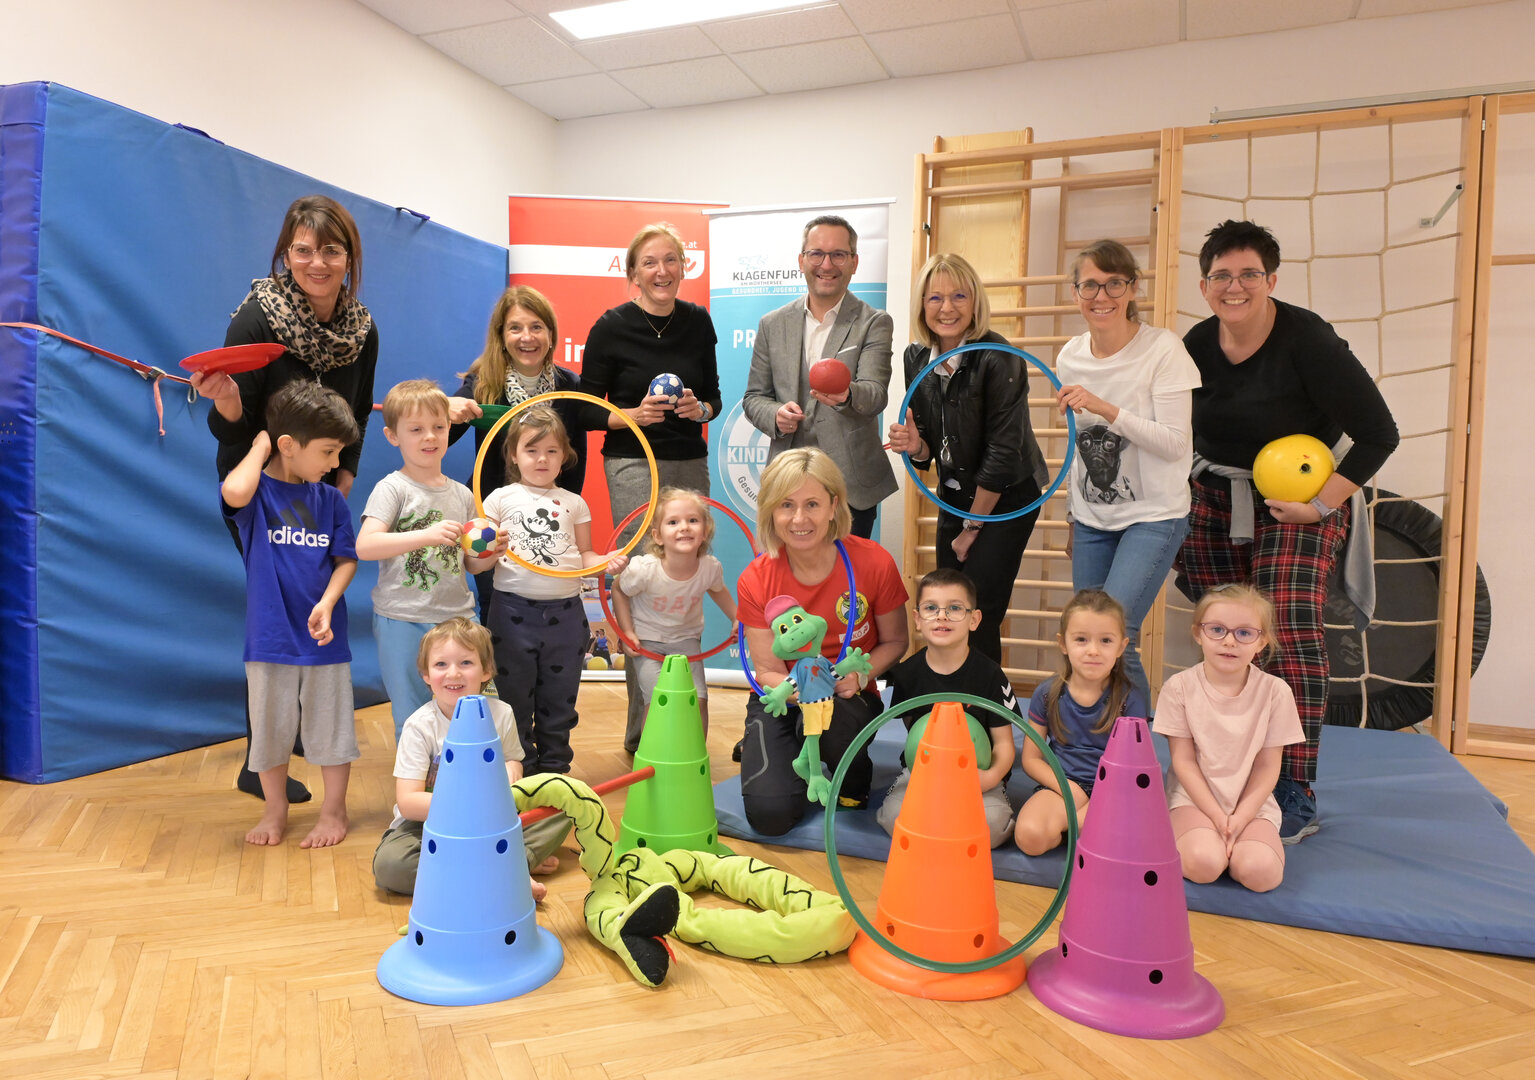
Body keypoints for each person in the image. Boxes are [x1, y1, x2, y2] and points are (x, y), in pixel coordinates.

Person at [1177, 219, 1399, 843]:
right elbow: (1171, 430)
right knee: (1224, 634)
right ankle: (1226, 773)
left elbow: (1380, 433)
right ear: (1204, 285)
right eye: (1221, 275)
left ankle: (1292, 785)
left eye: (1249, 273)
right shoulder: (1196, 344)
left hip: (1298, 501)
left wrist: (1323, 505)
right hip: (1217, 495)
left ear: (1271, 279)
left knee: (1290, 627)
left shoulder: (1309, 341)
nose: (1235, 286)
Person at [191, 193, 378, 804]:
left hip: (321, 484)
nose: (316, 263)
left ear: (348, 257)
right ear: (286, 252)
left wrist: (343, 473)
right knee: (275, 607)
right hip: (261, 484)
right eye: (302, 250)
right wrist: (225, 403)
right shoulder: (259, 314)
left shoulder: (361, 327)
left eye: (329, 250)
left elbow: (357, 409)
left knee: (313, 601)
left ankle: (292, 732)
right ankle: (258, 756)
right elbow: (232, 418)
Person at [579, 223, 722, 744]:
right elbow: (588, 412)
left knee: (684, 577)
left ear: (683, 267)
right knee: (643, 584)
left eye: (671, 261)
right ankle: (644, 732)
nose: (661, 272)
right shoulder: (611, 326)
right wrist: (632, 415)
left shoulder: (697, 321)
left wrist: (698, 408)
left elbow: (714, 398)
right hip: (633, 462)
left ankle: (681, 720)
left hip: (689, 459)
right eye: (649, 263)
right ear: (632, 272)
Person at [1054, 240, 1201, 706]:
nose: (1102, 295)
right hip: (1093, 519)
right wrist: (1073, 514)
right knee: (1088, 638)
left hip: (1154, 515)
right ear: (1075, 292)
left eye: (1114, 283)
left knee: (1114, 634)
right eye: (1090, 285)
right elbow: (1079, 449)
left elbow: (1176, 443)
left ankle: (1133, 754)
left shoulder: (1163, 349)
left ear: (1133, 287)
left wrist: (1105, 408)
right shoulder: (1069, 357)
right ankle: (1098, 746)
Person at [737, 448, 909, 836]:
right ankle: (797, 761)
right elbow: (767, 669)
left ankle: (846, 769)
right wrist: (799, 692)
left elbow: (897, 641)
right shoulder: (756, 578)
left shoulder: (873, 561)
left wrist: (852, 679)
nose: (799, 519)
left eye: (812, 504)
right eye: (786, 505)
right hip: (783, 693)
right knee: (770, 816)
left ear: (834, 505)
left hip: (849, 693)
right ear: (770, 511)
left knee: (835, 728)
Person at [886, 252, 1048, 663]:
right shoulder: (916, 357)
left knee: (979, 611)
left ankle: (984, 712)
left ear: (975, 302)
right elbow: (929, 449)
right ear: (922, 305)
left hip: (1006, 496)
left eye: (959, 295)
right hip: (955, 493)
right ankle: (952, 704)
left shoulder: (998, 356)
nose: (947, 308)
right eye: (935, 298)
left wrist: (972, 526)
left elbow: (1003, 453)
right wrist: (913, 444)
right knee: (949, 606)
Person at [219, 381, 360, 848]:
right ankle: (274, 808)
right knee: (271, 731)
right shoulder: (257, 496)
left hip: (324, 641)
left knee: (331, 731)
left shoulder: (331, 501)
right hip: (270, 639)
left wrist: (328, 602)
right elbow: (234, 490)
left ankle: (334, 810)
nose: (335, 464)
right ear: (287, 446)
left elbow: (346, 560)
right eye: (327, 451)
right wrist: (259, 446)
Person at [372, 618, 570, 899]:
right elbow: (408, 803)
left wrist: (512, 770)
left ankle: (482, 870)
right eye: (441, 665)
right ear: (426, 674)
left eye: (465, 663)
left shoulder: (501, 713)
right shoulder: (418, 726)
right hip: (430, 825)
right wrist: (472, 808)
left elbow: (514, 760)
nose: (453, 673)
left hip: (494, 822)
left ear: (486, 670)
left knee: (563, 806)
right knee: (392, 866)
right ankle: (507, 871)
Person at [356, 380, 503, 740]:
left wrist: (490, 555)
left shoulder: (463, 494)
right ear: (393, 436)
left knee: (470, 712)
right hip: (403, 620)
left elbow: (470, 565)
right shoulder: (392, 489)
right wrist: (427, 534)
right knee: (412, 716)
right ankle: (414, 792)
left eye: (439, 427)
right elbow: (365, 546)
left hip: (457, 619)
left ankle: (465, 786)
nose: (430, 437)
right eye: (416, 429)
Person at [743, 214, 896, 539]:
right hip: (787, 480)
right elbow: (754, 398)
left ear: (854, 262)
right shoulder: (772, 324)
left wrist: (847, 394)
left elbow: (875, 394)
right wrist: (775, 415)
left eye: (838, 254)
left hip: (850, 485)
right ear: (802, 260)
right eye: (817, 254)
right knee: (789, 583)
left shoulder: (874, 322)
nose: (827, 264)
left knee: (844, 584)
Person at [482, 406, 612, 774]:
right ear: (513, 455)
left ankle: (555, 769)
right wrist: (487, 550)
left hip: (566, 617)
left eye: (552, 451)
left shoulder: (575, 502)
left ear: (564, 457)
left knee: (560, 698)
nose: (542, 458)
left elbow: (586, 554)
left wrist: (607, 561)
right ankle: (519, 769)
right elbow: (480, 557)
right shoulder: (499, 499)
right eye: (532, 450)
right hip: (511, 614)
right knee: (513, 698)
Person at [446, 286, 586, 624]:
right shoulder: (483, 382)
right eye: (516, 328)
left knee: (547, 603)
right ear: (501, 336)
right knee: (496, 606)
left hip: (546, 519)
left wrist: (564, 512)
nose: (527, 337)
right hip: (493, 515)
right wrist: (443, 409)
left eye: (536, 327)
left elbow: (575, 455)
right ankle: (498, 675)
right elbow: (441, 436)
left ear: (551, 335)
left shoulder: (569, 384)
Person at [1159, 584, 1304, 893]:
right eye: (1217, 630)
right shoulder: (1179, 687)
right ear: (1198, 633)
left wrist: (1240, 819)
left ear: (1262, 641)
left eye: (1244, 633)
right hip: (1192, 802)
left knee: (1261, 873)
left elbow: (1268, 767)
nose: (1229, 641)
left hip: (1251, 806)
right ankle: (1212, 844)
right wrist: (1215, 816)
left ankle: (1239, 851)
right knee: (1204, 864)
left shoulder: (1276, 692)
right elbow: (1183, 762)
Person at [876, 569, 1018, 848]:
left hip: (979, 775)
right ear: (917, 619)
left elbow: (1004, 745)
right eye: (931, 608)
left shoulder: (990, 675)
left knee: (992, 828)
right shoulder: (907, 675)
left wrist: (990, 777)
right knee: (894, 819)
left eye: (954, 608)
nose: (941, 616)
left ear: (973, 619)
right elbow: (912, 733)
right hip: (921, 774)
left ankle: (943, 828)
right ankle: (942, 828)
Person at [1014, 589, 1148, 856]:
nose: (1093, 651)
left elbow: (1134, 769)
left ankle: (1073, 828)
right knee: (1030, 837)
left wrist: (1097, 803)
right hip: (1061, 785)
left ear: (1122, 646)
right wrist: (1067, 788)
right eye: (1081, 640)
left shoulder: (1130, 700)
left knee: (1102, 839)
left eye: (1106, 641)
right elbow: (1031, 759)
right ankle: (1068, 828)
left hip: (1112, 792)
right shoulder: (1047, 693)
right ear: (1063, 643)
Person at [606, 488, 737, 753]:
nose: (684, 528)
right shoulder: (645, 569)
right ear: (657, 535)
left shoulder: (710, 567)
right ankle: (651, 757)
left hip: (686, 642)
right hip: (648, 643)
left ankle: (694, 756)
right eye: (673, 522)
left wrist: (738, 618)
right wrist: (627, 631)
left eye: (693, 520)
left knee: (698, 700)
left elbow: (718, 590)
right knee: (657, 701)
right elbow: (618, 590)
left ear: (705, 531)